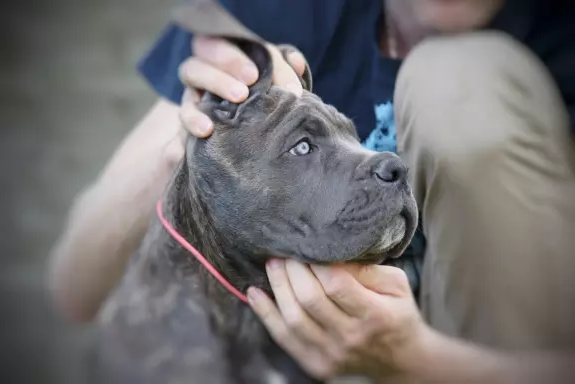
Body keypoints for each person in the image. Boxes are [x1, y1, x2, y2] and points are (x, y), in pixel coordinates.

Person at [48, 0, 575, 381]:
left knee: (456, 75)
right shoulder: (290, 11)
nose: (383, 168)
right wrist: (204, 133)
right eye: (304, 146)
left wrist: (415, 362)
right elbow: (76, 285)